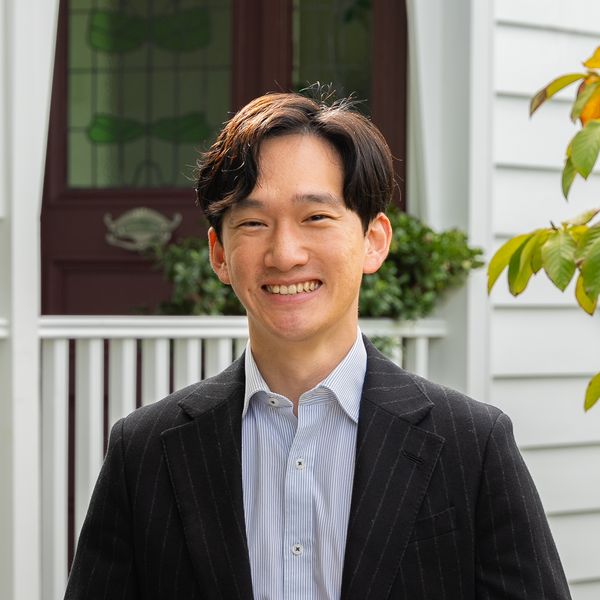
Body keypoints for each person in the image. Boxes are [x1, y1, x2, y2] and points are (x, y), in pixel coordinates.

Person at [65, 91, 571, 600]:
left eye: (316, 218)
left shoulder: (472, 445)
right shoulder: (143, 452)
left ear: (374, 240)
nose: (285, 254)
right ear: (219, 254)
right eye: (254, 223)